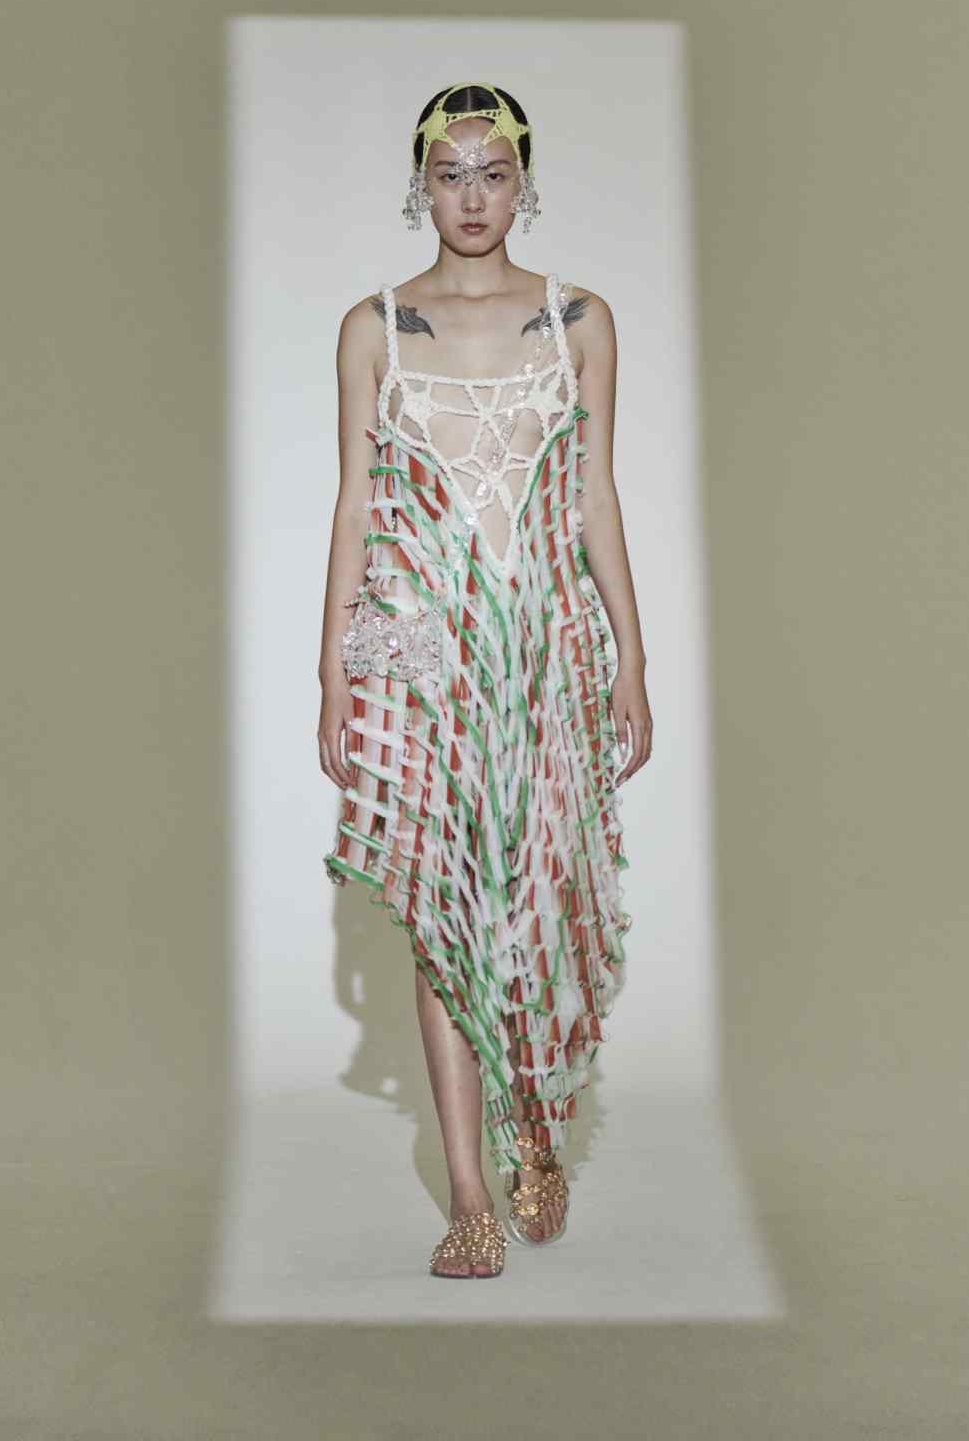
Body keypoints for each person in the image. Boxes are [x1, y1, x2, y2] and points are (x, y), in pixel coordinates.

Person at [318, 82, 653, 1279]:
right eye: (450, 173)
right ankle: (468, 1195)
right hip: (420, 656)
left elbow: (595, 494)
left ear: (524, 183)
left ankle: (535, 1129)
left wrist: (631, 659)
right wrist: (331, 672)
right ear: (422, 184)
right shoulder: (373, 324)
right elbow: (356, 503)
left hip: (548, 649)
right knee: (441, 912)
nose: (472, 195)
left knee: (539, 901)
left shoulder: (579, 320)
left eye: (492, 172)